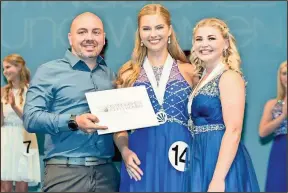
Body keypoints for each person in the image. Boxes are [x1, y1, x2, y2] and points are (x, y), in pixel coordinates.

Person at [23, 12, 119, 192]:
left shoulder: (111, 76)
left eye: (96, 32)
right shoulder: (48, 71)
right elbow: (31, 118)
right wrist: (74, 121)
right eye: (82, 32)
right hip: (65, 175)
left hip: (107, 175)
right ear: (70, 38)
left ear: (104, 38)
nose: (89, 38)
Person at [113, 4, 197, 192]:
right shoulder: (127, 74)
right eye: (146, 28)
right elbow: (119, 127)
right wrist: (125, 152)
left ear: (169, 31)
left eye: (159, 27)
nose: (153, 34)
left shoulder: (189, 71)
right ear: (140, 34)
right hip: (140, 156)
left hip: (181, 152)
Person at [184, 18, 260, 192]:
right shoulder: (201, 79)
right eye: (199, 39)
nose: (204, 44)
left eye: (211, 38)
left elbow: (234, 130)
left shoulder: (229, 77)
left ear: (225, 43)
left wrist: (218, 179)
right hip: (199, 155)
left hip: (220, 159)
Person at [1, 54, 41, 192]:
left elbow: (31, 119)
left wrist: (14, 106)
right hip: (5, 138)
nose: (5, 71)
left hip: (24, 137)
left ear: (18, 67)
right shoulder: (2, 91)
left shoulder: (31, 91)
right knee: (5, 183)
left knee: (21, 182)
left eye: (8, 67)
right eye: (3, 68)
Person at [259, 60, 287, 192]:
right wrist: (282, 116)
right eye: (284, 73)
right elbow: (262, 132)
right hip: (280, 148)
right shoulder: (272, 104)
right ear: (280, 77)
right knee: (277, 184)